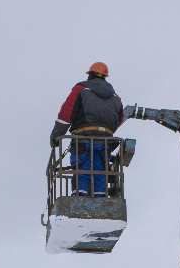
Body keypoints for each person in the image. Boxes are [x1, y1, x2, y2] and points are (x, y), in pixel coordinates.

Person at [50, 62, 125, 197]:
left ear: (90, 75)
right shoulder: (116, 97)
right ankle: (101, 199)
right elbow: (120, 119)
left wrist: (56, 135)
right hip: (105, 141)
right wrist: (104, 130)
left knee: (82, 169)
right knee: (101, 171)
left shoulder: (80, 89)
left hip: (82, 139)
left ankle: (79, 198)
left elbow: (66, 114)